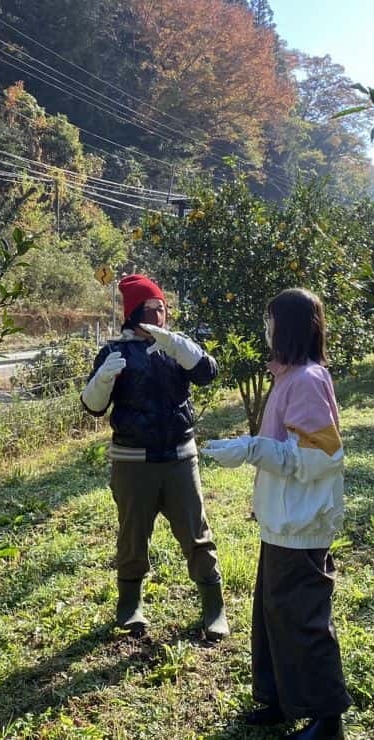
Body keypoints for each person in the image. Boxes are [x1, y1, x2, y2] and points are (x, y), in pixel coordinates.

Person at [203, 287, 351, 740]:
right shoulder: (288, 376)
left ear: (286, 326)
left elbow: (320, 457)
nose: (265, 330)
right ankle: (279, 700)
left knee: (302, 620)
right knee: (272, 617)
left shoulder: (306, 379)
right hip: (282, 521)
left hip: (300, 523)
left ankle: (327, 718)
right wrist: (254, 447)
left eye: (270, 320)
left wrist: (252, 448)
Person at [80, 273, 229, 641]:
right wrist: (102, 379)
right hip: (132, 460)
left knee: (197, 533)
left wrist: (181, 348)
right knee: (133, 536)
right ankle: (130, 605)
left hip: (180, 456)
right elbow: (93, 407)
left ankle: (214, 607)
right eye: (152, 308)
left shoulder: (174, 347)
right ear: (133, 313)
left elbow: (208, 374)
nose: (160, 315)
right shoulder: (114, 352)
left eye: (163, 308)